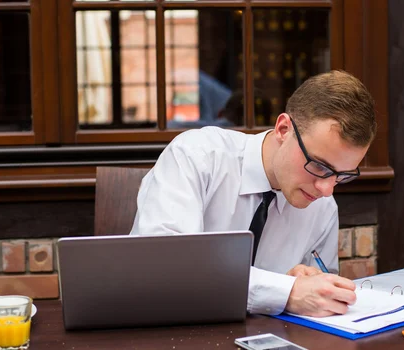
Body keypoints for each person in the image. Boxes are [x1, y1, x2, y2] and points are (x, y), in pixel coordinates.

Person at [130, 70, 377, 317]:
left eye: (342, 175)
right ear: (283, 129)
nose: (327, 189)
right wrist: (285, 291)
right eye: (319, 166)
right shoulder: (197, 157)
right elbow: (164, 267)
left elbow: (319, 302)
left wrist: (308, 285)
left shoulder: (323, 208)